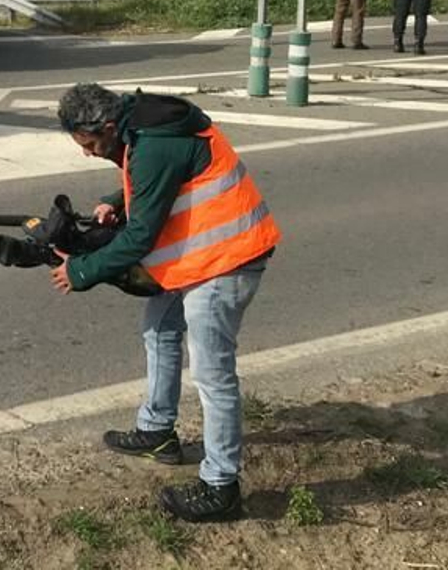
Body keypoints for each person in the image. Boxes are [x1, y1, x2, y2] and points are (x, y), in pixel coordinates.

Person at [51, 83, 280, 523]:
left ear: (110, 126)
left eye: (93, 144)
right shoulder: (144, 122)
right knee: (158, 327)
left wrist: (80, 271)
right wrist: (118, 199)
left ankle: (221, 487)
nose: (89, 153)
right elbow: (161, 176)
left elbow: (140, 237)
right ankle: (157, 431)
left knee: (213, 376)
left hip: (228, 261)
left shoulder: (154, 141)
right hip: (198, 257)